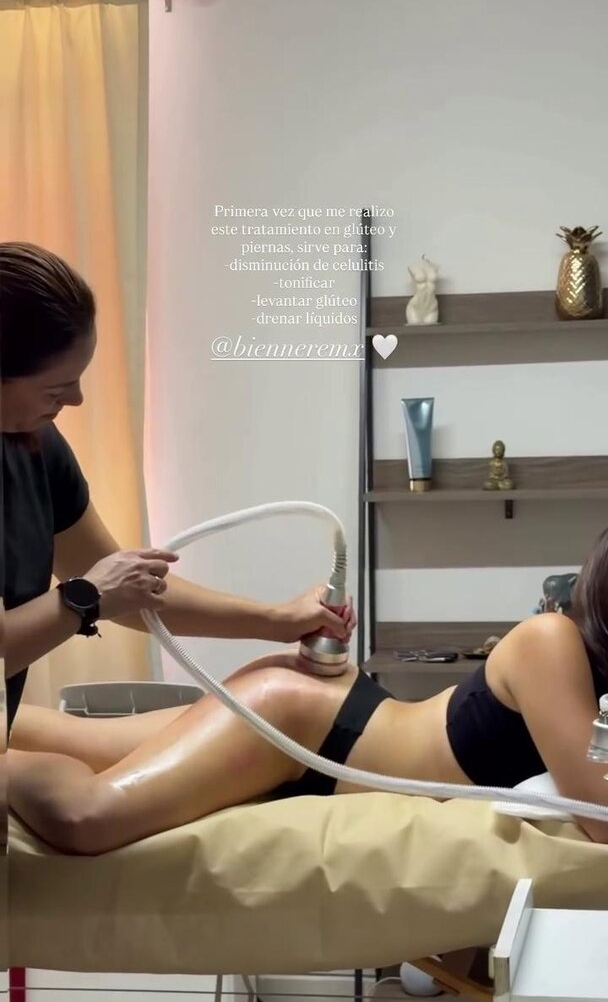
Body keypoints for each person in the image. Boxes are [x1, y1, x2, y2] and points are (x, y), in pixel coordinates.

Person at [5, 247, 608, 854]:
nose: (75, 401)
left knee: (82, 745)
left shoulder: (38, 446)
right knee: (86, 816)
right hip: (312, 727)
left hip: (319, 713)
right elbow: (599, 817)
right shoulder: (551, 643)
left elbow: (138, 598)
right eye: (57, 385)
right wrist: (85, 598)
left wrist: (276, 619)